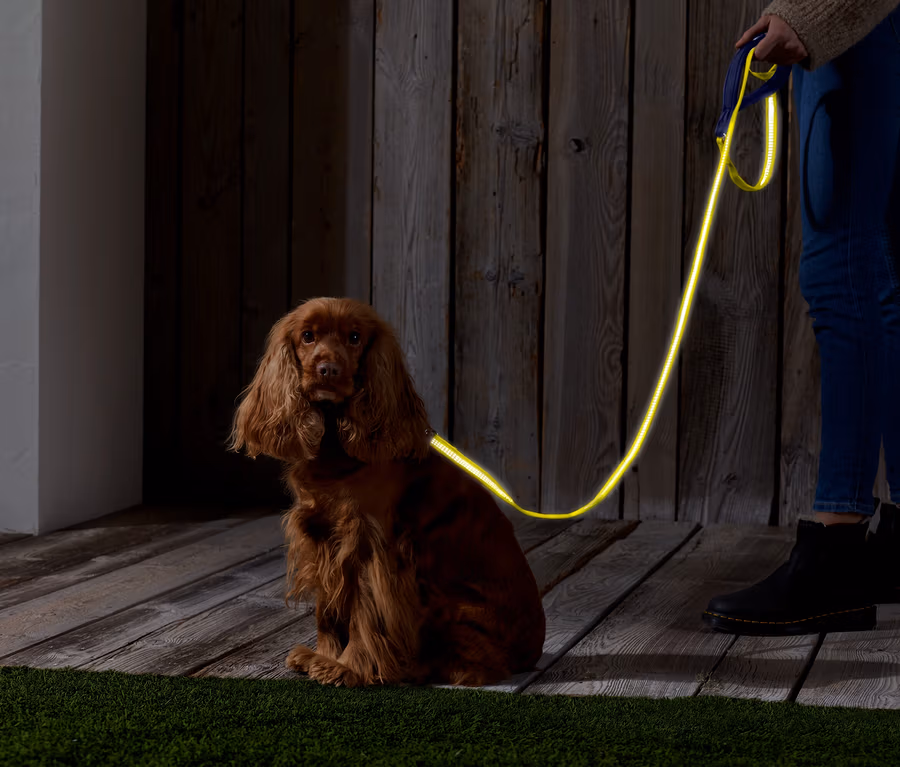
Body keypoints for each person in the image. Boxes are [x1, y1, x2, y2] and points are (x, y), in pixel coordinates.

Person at [703, 0, 900, 636]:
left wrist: (812, 12)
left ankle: (835, 553)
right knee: (887, 275)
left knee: (841, 272)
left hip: (859, 29)